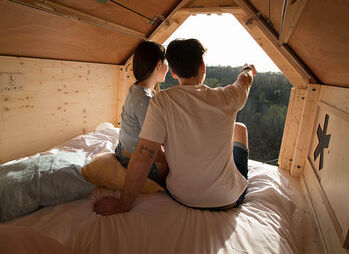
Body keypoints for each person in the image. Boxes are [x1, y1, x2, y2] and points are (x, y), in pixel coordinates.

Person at [94, 38, 256, 215]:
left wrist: (124, 203)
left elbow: (143, 156)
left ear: (173, 72)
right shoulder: (228, 97)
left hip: (181, 196)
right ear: (202, 66)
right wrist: (247, 70)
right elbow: (245, 81)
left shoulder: (161, 101)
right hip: (227, 199)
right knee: (240, 128)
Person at [114, 40, 169, 186]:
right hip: (131, 160)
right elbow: (154, 150)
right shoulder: (146, 100)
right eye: (166, 63)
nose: (168, 67)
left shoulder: (136, 88)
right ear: (159, 65)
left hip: (121, 150)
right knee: (177, 168)